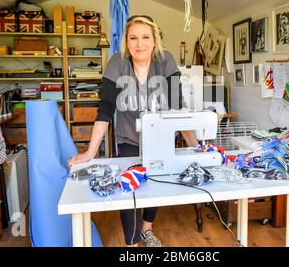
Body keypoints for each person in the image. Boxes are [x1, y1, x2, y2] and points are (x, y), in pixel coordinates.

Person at [68, 15, 198, 247]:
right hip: (128, 136)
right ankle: (131, 245)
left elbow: (178, 107)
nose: (140, 44)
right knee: (129, 189)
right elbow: (105, 109)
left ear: (155, 39)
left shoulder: (165, 60)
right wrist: (89, 153)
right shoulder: (118, 62)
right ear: (126, 41)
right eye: (134, 38)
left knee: (155, 183)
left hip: (160, 137)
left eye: (146, 37)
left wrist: (196, 147)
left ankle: (147, 229)